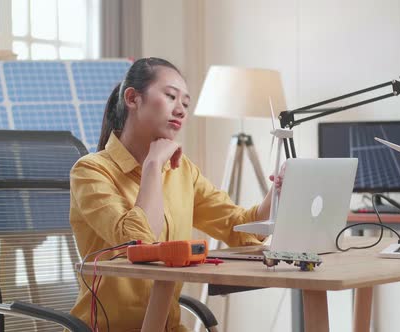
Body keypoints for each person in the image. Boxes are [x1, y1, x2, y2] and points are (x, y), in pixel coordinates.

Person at [69, 57, 283, 331]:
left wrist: (275, 195)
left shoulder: (182, 171)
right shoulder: (90, 171)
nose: (180, 110)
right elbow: (136, 243)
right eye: (171, 96)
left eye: (185, 103)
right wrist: (153, 165)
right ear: (133, 98)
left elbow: (238, 228)